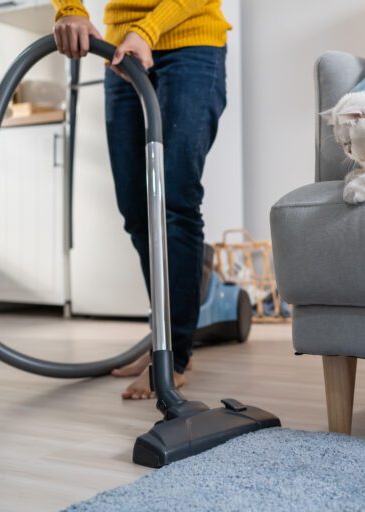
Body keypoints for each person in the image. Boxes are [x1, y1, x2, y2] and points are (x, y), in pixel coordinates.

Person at [51, 0, 230, 399]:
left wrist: (148, 30)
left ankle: (173, 356)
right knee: (136, 209)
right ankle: (162, 345)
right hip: (119, 49)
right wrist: (69, 9)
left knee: (174, 201)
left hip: (191, 42)